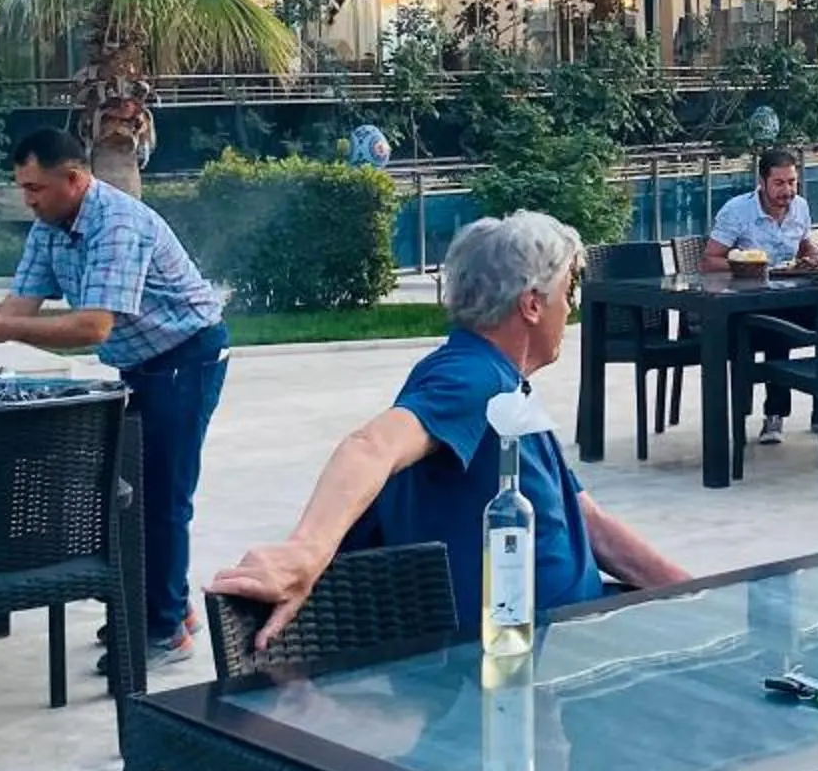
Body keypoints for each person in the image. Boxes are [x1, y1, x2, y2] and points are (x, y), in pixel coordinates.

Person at [212, 209, 687, 645]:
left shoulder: (506, 387)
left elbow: (591, 523)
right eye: (567, 292)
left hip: (579, 640)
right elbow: (372, 446)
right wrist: (305, 550)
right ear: (532, 305)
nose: (572, 308)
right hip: (517, 664)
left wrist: (698, 595)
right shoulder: (470, 377)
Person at [0, 129, 227, 666]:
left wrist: (3, 328)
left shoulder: (117, 224)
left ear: (74, 179)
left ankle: (163, 631)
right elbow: (20, 306)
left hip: (185, 357)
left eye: (36, 188)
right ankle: (168, 606)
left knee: (163, 493)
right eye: (22, 188)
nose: (27, 200)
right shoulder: (51, 225)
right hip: (138, 361)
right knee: (133, 493)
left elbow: (93, 326)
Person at [707, 145, 818, 447]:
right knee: (777, 330)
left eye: (792, 182)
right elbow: (709, 260)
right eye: (780, 183)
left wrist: (816, 256)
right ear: (762, 182)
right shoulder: (737, 211)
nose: (788, 190)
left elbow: (804, 247)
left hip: (791, 294)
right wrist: (750, 264)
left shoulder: (801, 208)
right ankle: (775, 415)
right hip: (747, 303)